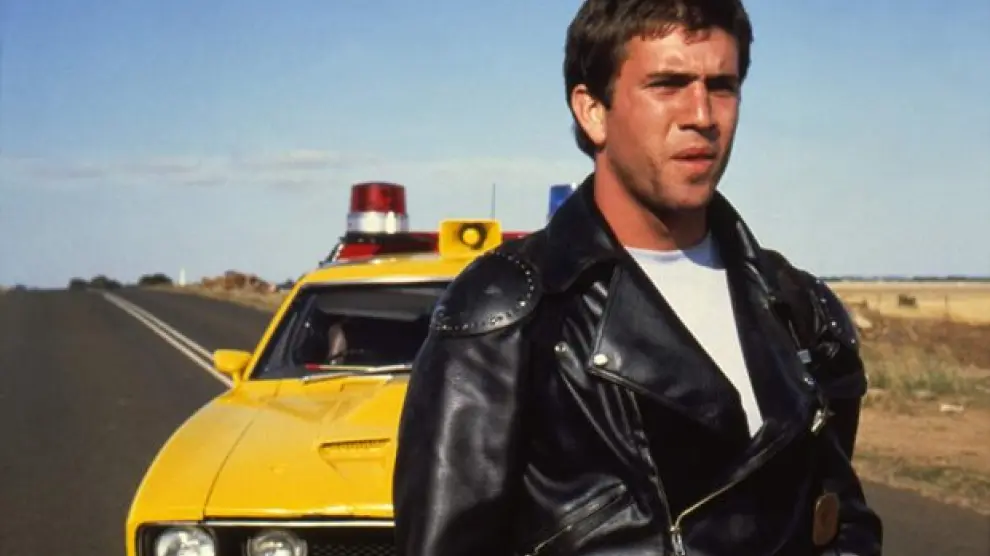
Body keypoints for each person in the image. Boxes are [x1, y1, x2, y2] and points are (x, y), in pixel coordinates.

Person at [392, 0, 883, 554]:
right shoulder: (510, 313)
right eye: (668, 85)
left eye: (722, 86)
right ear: (592, 111)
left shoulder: (798, 308)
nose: (702, 115)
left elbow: (838, 518)